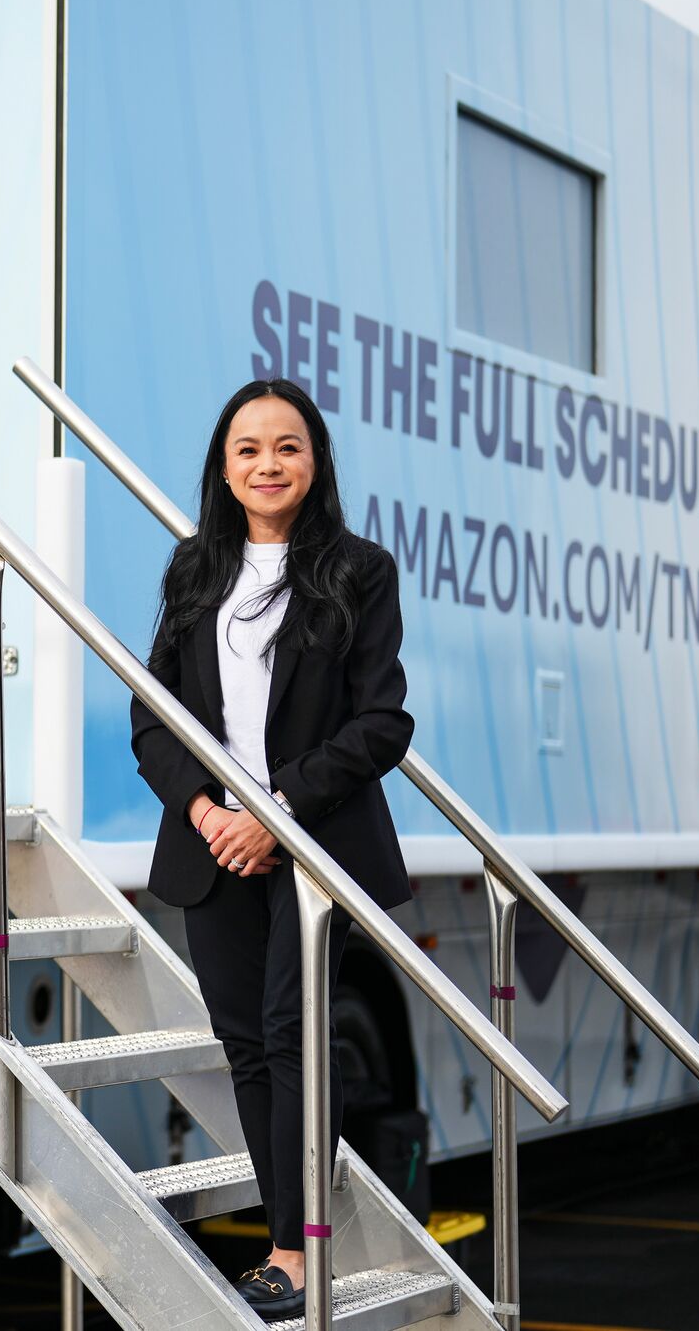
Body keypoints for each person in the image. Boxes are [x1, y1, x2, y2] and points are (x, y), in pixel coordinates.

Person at [128, 379, 413, 1322]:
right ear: (224, 466)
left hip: (312, 846)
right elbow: (153, 716)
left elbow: (382, 723)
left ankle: (297, 1251)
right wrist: (210, 813)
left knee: (294, 1036)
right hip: (215, 844)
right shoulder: (193, 571)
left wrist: (277, 811)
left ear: (316, 461)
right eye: (248, 449)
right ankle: (283, 1233)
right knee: (247, 1044)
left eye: (287, 447)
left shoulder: (358, 571)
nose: (267, 464)